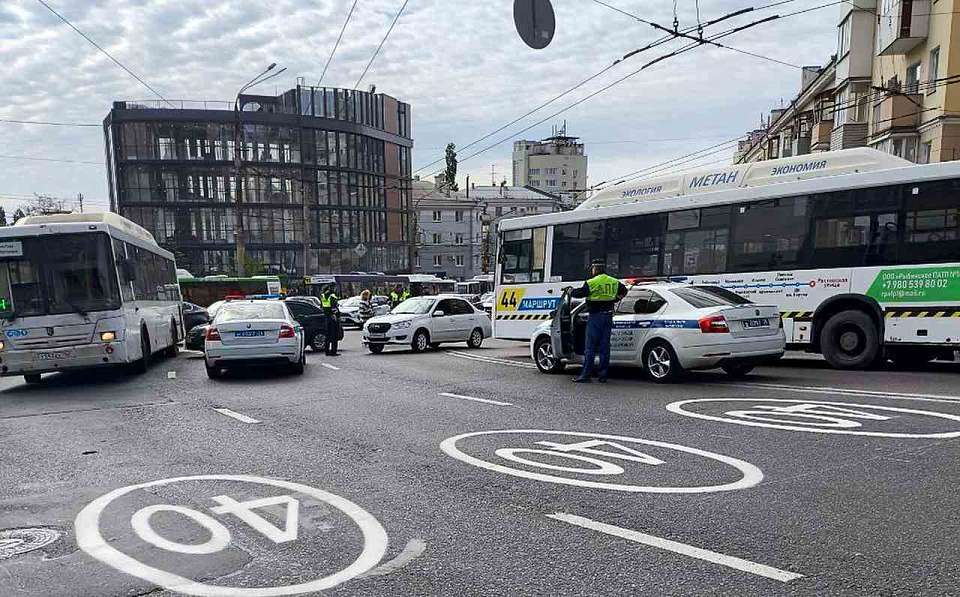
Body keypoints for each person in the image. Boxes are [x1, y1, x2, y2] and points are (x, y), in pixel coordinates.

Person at [568, 260, 627, 383]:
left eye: (592, 268)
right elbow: (624, 291)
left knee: (590, 347)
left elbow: (581, 293)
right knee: (605, 347)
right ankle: (603, 375)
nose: (592, 270)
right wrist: (616, 299)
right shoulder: (613, 281)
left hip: (595, 317)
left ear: (595, 269)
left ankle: (586, 375)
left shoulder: (591, 282)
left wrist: (570, 291)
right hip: (608, 316)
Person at [319, 284, 341, 356]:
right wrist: (336, 315)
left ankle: (327, 351)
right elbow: (334, 308)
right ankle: (333, 352)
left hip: (326, 317)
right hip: (332, 318)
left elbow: (322, 307)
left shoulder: (322, 296)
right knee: (334, 335)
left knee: (327, 336)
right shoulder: (332, 296)